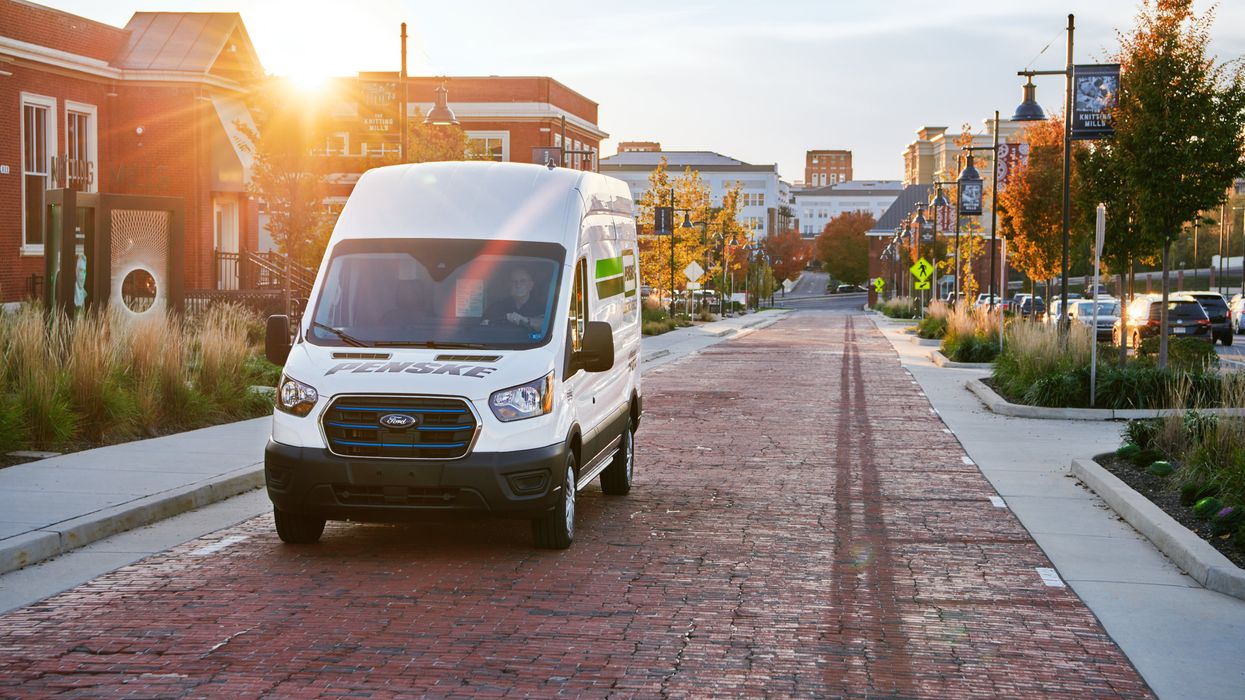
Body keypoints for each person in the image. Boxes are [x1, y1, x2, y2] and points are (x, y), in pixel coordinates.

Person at [484, 267, 545, 331]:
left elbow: (547, 325)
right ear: (509, 285)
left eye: (523, 281)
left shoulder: (542, 308)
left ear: (531, 285)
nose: (518, 285)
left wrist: (525, 320)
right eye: (514, 281)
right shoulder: (497, 307)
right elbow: (483, 325)